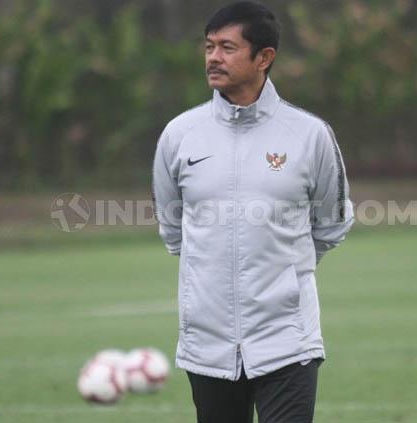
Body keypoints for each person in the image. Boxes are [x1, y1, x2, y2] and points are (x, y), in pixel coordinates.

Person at [152, 2, 354, 422]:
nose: (213, 57)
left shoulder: (309, 135)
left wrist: (283, 270)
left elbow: (331, 223)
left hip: (288, 340)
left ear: (264, 58)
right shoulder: (179, 135)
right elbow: (174, 230)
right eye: (209, 46)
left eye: (227, 47)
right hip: (208, 343)